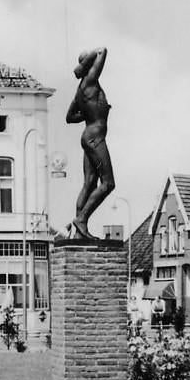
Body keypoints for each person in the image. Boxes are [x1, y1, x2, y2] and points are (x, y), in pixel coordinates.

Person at [65, 47, 115, 240]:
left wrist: (88, 114)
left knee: (89, 182)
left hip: (88, 136)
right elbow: (102, 50)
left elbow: (69, 117)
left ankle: (79, 232)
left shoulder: (80, 91)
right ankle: (82, 219)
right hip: (96, 138)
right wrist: (83, 66)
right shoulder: (91, 79)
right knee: (108, 183)